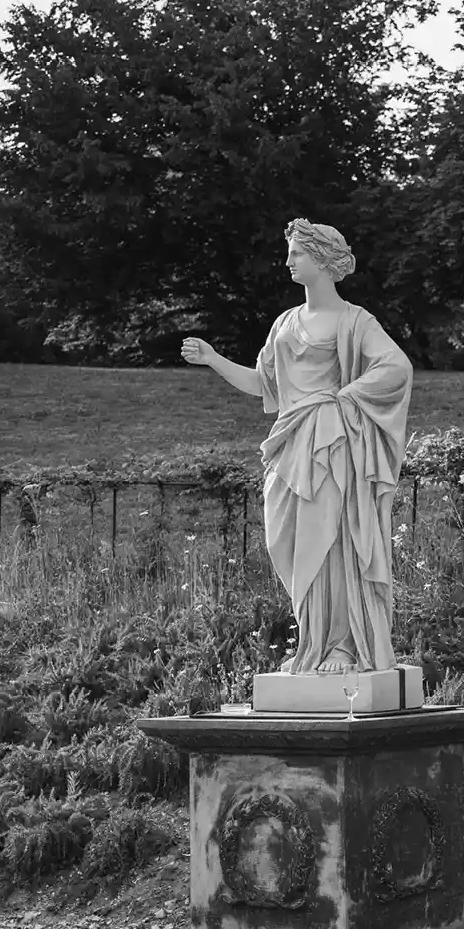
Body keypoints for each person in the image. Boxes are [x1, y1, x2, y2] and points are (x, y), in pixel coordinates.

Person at [181, 219, 412, 673]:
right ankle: (312, 643)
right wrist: (213, 359)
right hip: (289, 446)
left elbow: (396, 368)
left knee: (331, 543)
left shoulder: (355, 321)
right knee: (284, 543)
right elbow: (261, 383)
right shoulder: (285, 324)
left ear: (323, 260)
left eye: (297, 254)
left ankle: (342, 647)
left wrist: (341, 398)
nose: (288, 262)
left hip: (330, 445)